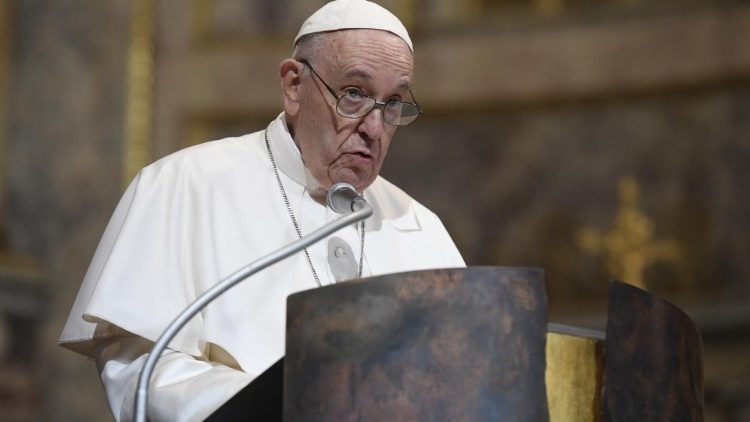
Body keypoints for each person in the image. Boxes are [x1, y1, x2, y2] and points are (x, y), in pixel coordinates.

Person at [59, 1, 465, 420]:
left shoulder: (419, 227)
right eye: (354, 94)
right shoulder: (187, 185)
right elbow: (140, 368)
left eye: (394, 102)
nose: (375, 128)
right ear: (293, 85)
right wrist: (291, 404)